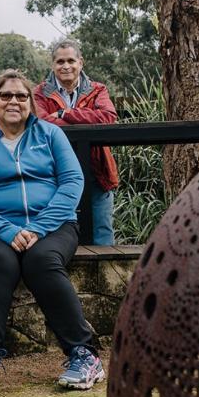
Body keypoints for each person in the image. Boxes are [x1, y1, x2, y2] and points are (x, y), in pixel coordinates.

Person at [0, 69, 104, 392]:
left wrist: (38, 227)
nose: (13, 102)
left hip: (53, 225)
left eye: (21, 96)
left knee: (41, 261)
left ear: (30, 102)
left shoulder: (50, 134)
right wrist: (6, 230)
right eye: (5, 96)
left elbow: (72, 182)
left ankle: (84, 353)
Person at [34, 38, 119, 246]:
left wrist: (65, 113)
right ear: (52, 65)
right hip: (54, 173)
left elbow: (108, 117)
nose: (66, 66)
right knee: (58, 235)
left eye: (71, 61)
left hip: (96, 170)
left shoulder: (98, 89)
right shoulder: (39, 92)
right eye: (60, 62)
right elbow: (42, 122)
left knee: (102, 234)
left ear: (81, 62)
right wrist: (86, 116)